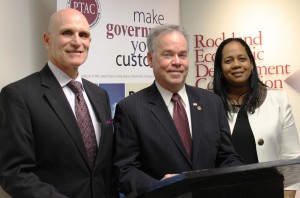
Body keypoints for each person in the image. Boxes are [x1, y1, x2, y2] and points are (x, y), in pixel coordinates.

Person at [113, 24, 243, 196]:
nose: (177, 62)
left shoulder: (212, 102)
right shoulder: (130, 109)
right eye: (168, 55)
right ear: (150, 59)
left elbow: (227, 157)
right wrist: (161, 187)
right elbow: (124, 170)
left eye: (182, 55)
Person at [0, 8, 116, 198]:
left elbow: (105, 167)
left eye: (84, 35)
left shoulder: (100, 95)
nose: (77, 42)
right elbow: (14, 174)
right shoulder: (18, 96)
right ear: (47, 40)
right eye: (67, 33)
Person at [213, 37, 300, 197]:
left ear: (251, 65)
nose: (236, 65)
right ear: (220, 69)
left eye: (242, 59)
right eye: (228, 60)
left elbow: (292, 159)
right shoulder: (209, 105)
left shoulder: (278, 100)